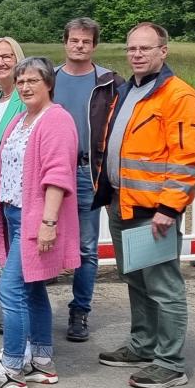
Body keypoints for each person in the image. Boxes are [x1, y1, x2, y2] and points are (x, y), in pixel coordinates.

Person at [94, 22, 195, 388]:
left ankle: (170, 362)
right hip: (122, 204)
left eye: (145, 48)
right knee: (137, 282)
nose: (137, 54)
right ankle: (143, 345)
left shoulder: (177, 95)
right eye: (131, 49)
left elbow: (186, 158)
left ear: (163, 51)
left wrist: (169, 208)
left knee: (164, 288)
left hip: (153, 212)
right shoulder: (128, 90)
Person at [0, 57, 80, 388]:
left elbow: (58, 176)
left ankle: (13, 367)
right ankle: (42, 362)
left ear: (48, 83)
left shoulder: (56, 120)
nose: (25, 87)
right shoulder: (21, 119)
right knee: (31, 289)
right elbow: (1, 168)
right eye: (21, 82)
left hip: (35, 219)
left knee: (10, 290)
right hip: (11, 215)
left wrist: (48, 223)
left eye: (33, 80)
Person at [53, 17, 121, 342]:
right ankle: (31, 306)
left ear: (94, 45)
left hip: (86, 173)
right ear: (64, 42)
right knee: (41, 239)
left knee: (86, 247)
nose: (79, 46)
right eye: (74, 40)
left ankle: (80, 310)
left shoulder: (108, 82)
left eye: (86, 42)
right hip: (51, 171)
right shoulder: (48, 78)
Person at [0, 37, 26, 334]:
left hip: (16, 194)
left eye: (7, 56)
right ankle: (18, 320)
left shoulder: (23, 99)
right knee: (8, 257)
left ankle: (21, 326)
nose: (0, 62)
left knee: (17, 268)